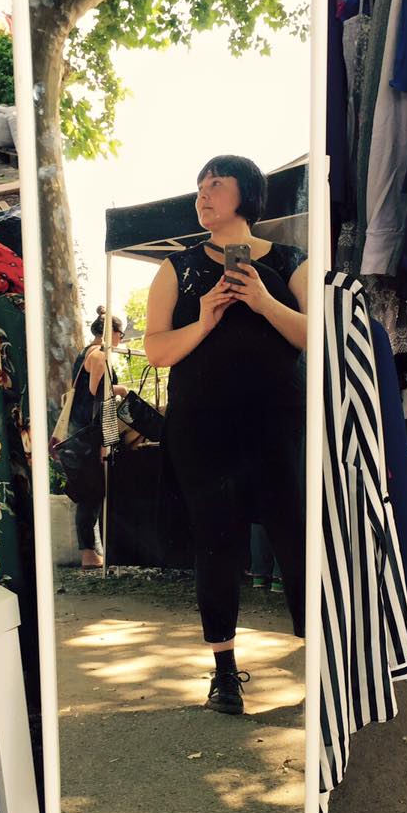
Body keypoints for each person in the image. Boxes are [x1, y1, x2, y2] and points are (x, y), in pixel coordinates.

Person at [145, 154, 308, 715]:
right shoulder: (177, 268)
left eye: (216, 183)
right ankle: (224, 675)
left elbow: (320, 335)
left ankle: (322, 664)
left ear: (248, 194)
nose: (203, 193)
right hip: (203, 431)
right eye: (199, 185)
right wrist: (204, 320)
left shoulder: (289, 262)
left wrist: (263, 302)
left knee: (296, 541)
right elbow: (156, 350)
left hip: (277, 427)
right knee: (215, 547)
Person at [69, 306, 128, 569]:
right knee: (92, 492)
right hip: (90, 431)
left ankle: (91, 551)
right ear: (110, 332)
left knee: (89, 490)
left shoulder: (86, 352)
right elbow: (97, 392)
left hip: (82, 428)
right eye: (120, 333)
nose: (121, 339)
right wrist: (121, 389)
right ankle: (88, 554)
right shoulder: (100, 354)